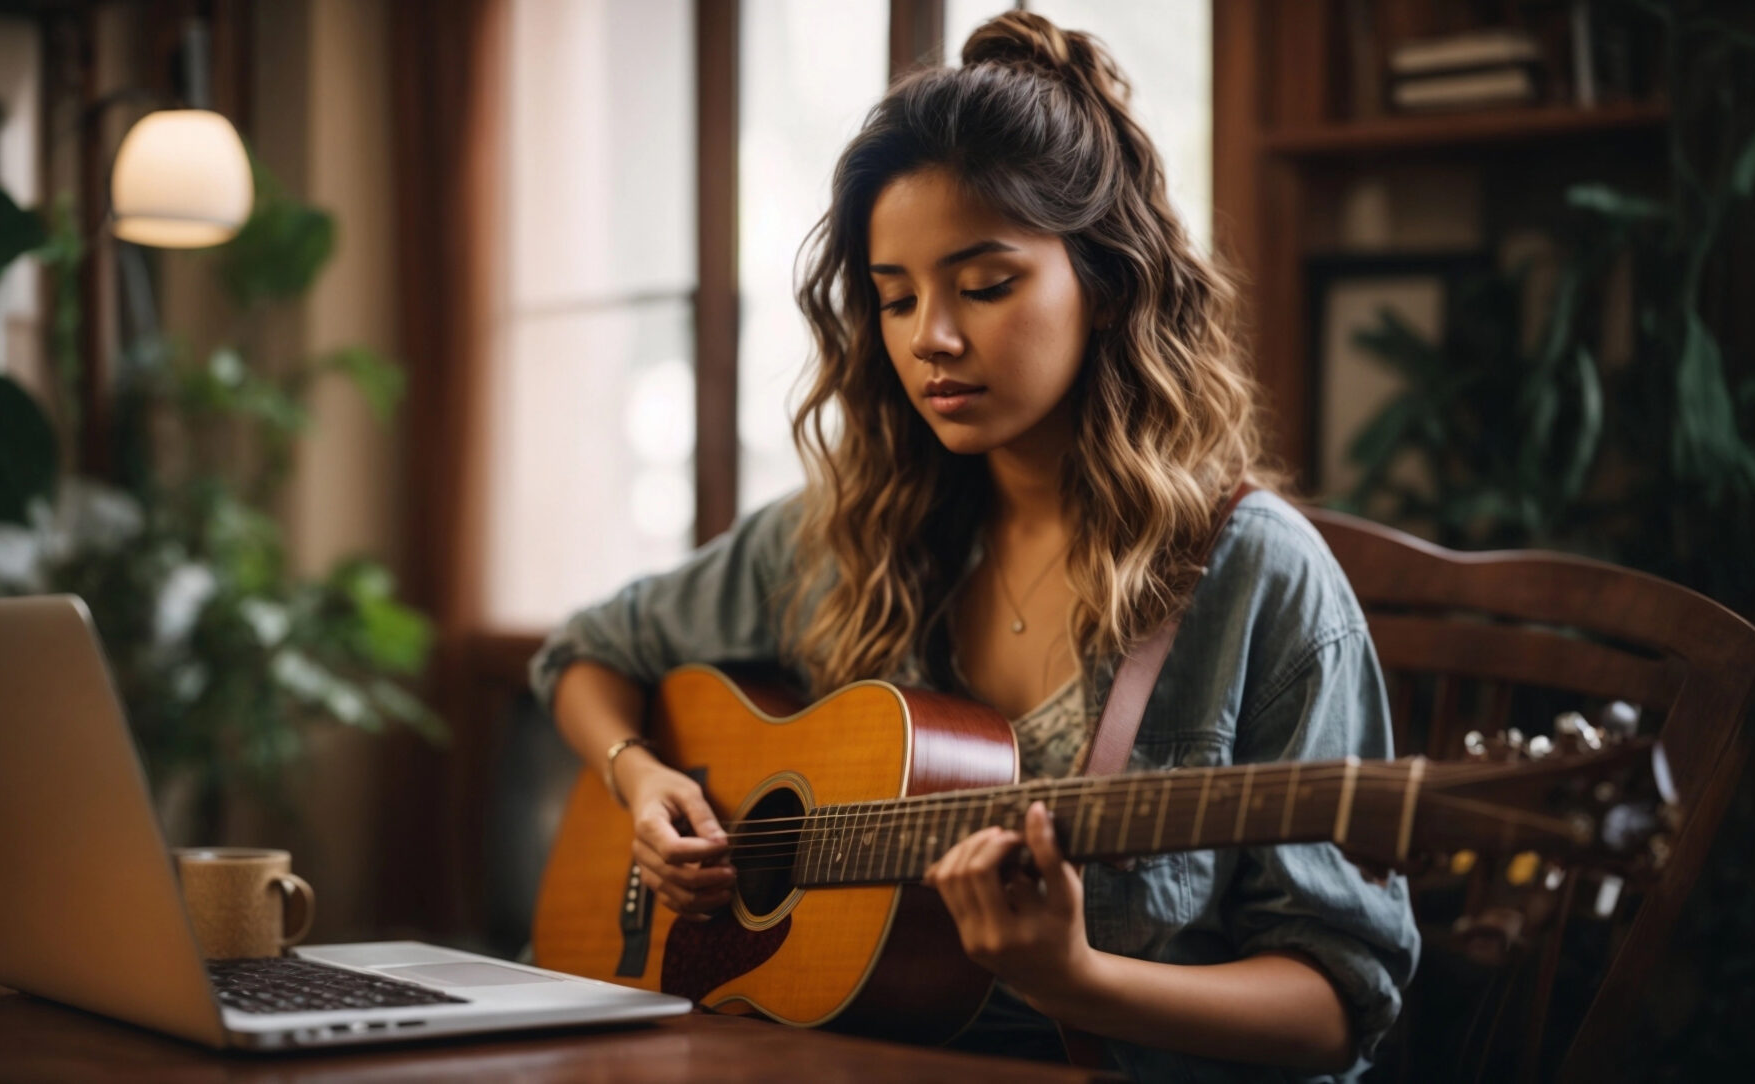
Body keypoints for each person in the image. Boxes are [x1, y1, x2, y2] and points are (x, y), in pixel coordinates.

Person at [528, 11, 1419, 1080]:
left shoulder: (1255, 578)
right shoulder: (845, 526)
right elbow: (585, 652)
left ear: (1105, 279)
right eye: (895, 298)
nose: (929, 339)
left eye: (985, 286)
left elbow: (1335, 1005)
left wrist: (1079, 979)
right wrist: (639, 779)